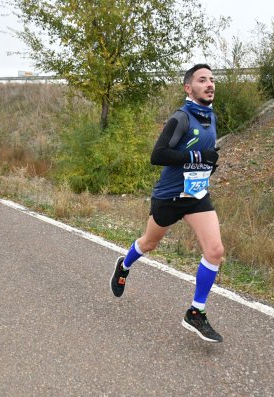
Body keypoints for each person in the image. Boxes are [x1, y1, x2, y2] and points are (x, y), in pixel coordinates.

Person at [110, 64, 224, 343]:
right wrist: (199, 158)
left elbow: (204, 155)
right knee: (149, 243)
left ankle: (195, 312)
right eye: (202, 80)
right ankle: (124, 265)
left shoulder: (210, 116)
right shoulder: (181, 118)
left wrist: (210, 164)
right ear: (189, 88)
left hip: (196, 196)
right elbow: (158, 155)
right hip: (170, 197)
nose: (209, 84)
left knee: (215, 250)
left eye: (211, 80)